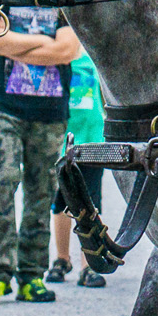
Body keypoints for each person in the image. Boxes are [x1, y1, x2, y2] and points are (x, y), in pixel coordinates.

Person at [0, 0, 82, 305]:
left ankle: (31, 276)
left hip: (50, 114)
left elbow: (68, 49)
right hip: (5, 109)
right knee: (0, 183)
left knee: (41, 193)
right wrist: (43, 46)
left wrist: (15, 43)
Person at [47, 42, 108, 288]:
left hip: (92, 140)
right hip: (63, 141)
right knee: (60, 202)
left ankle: (89, 264)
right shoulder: (56, 55)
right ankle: (62, 259)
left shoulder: (95, 57)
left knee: (91, 203)